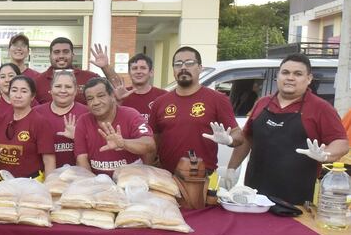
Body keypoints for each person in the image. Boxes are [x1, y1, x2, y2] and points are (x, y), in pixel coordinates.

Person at [221, 54, 348, 203]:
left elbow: (341, 143)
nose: (290, 78)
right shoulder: (263, 103)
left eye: (298, 74)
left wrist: (325, 155)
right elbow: (247, 137)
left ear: (309, 79)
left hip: (297, 199)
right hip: (255, 195)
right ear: (278, 76)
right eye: (285, 72)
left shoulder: (321, 108)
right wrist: (231, 168)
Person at [148, 46, 243, 174]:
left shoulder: (217, 99)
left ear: (200, 68)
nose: (183, 68)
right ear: (173, 70)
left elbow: (239, 135)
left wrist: (229, 140)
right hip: (166, 176)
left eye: (189, 63)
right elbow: (152, 141)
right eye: (178, 64)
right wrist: (148, 168)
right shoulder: (160, 102)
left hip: (201, 178)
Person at [74, 78, 155, 175]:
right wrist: (93, 182)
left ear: (112, 96)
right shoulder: (83, 121)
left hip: (130, 178)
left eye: (101, 96)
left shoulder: (131, 115)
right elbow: (81, 159)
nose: (96, 102)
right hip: (96, 179)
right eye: (90, 98)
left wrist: (123, 143)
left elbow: (149, 144)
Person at [0, 75, 55, 180]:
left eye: (24, 91)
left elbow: (49, 160)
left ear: (32, 96)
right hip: (3, 183)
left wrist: (49, 186)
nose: (18, 95)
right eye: (14, 90)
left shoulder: (40, 122)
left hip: (31, 183)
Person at [34, 38, 122, 104]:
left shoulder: (88, 78)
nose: (61, 56)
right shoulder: (38, 81)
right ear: (50, 56)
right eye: (57, 52)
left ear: (72, 55)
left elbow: (118, 88)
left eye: (66, 52)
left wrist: (105, 67)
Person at [33, 69, 89, 167]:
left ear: (76, 91)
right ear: (50, 89)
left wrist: (78, 137)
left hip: (79, 173)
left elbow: (96, 147)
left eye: (68, 87)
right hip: (45, 173)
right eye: (58, 86)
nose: (63, 91)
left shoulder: (87, 113)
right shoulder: (36, 113)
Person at [120, 53, 168, 121]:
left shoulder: (163, 96)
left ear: (151, 72)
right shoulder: (121, 96)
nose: (138, 72)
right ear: (129, 73)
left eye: (143, 68)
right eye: (134, 68)